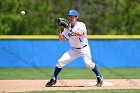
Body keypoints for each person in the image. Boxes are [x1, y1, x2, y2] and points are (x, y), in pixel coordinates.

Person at [45, 9, 103, 87]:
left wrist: (69, 29)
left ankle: (99, 77)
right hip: (74, 50)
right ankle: (54, 78)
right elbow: (62, 40)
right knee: (60, 61)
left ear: (76, 17)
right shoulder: (66, 27)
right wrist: (59, 34)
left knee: (89, 64)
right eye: (69, 16)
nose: (70, 18)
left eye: (72, 16)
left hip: (84, 48)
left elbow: (80, 33)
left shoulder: (81, 25)